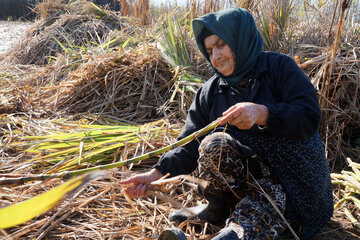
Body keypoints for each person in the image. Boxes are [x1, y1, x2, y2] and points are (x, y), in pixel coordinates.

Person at [121, 7, 333, 240]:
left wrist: (264, 113)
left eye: (221, 44)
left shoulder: (279, 68)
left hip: (295, 183)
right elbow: (191, 143)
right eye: (209, 50)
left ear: (239, 39)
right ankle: (219, 208)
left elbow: (309, 116)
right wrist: (155, 174)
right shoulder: (210, 92)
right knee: (214, 145)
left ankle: (235, 231)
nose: (216, 56)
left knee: (266, 206)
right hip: (254, 182)